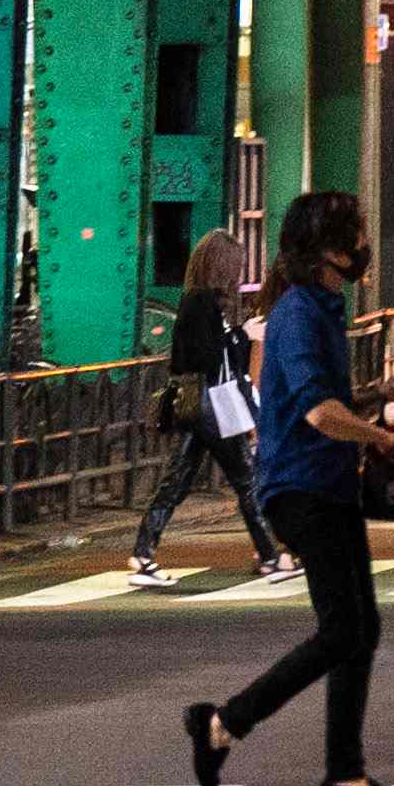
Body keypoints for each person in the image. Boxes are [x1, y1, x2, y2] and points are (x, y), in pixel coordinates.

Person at [184, 188, 394, 786]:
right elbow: (318, 413)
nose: (366, 247)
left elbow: (320, 401)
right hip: (302, 488)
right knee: (345, 629)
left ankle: (346, 774)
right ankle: (223, 724)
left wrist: (372, 397)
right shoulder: (302, 315)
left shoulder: (320, 307)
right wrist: (381, 434)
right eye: (358, 237)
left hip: (325, 482)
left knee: (360, 631)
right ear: (331, 252)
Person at [128, 228, 285, 588]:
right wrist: (243, 334)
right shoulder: (203, 304)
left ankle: (143, 553)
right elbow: (207, 357)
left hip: (199, 407)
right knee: (247, 480)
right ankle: (271, 558)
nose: (238, 273)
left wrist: (239, 335)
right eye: (235, 265)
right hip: (214, 405)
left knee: (177, 481)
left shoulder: (196, 300)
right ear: (222, 266)